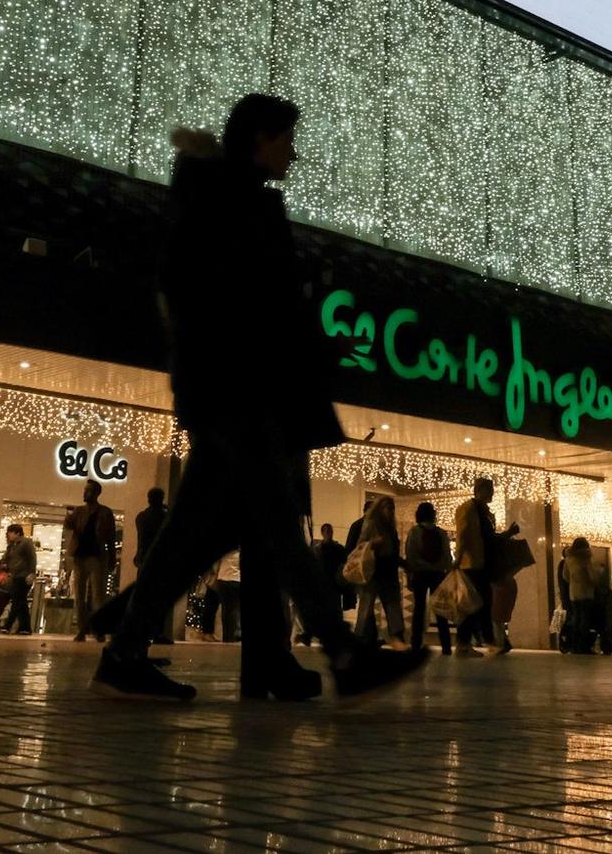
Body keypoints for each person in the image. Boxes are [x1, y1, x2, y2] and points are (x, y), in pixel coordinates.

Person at [92, 96, 427, 702]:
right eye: (287, 140)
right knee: (274, 522)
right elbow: (239, 300)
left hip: (226, 387)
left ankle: (125, 648)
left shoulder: (223, 199)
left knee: (196, 532)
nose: (294, 154)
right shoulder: (230, 204)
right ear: (261, 139)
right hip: (238, 389)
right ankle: (344, 655)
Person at [452, 478, 516, 655]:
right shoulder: (468, 509)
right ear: (478, 490)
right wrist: (458, 558)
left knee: (483, 602)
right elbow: (463, 535)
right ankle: (471, 643)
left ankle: (481, 641)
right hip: (471, 564)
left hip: (483, 563)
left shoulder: (485, 512)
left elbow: (489, 538)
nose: (492, 493)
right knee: (475, 603)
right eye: (488, 490)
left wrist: (507, 534)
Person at [63, 479, 116, 642]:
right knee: (79, 595)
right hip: (80, 555)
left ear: (96, 493)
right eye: (85, 490)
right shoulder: (79, 511)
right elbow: (69, 526)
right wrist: (68, 516)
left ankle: (98, 629)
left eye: (89, 490)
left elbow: (110, 537)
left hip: (96, 556)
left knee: (98, 595)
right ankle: (82, 629)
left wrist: (112, 557)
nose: (85, 493)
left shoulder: (105, 512)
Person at [351, 497, 406, 648]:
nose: (390, 511)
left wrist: (403, 564)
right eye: (387, 507)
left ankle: (396, 637)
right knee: (367, 607)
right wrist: (373, 543)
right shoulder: (372, 524)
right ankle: (361, 638)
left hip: (387, 571)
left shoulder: (391, 527)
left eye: (392, 508)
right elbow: (359, 546)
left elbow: (393, 553)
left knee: (391, 606)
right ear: (379, 509)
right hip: (374, 571)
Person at [403, 501, 454, 653]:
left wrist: (410, 574)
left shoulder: (414, 532)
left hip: (420, 573)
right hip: (438, 574)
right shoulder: (441, 533)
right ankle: (446, 646)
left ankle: (416, 643)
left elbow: (410, 555)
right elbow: (447, 557)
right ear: (433, 515)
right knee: (440, 610)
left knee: (419, 608)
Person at [131, 489, 175, 643]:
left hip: (147, 560)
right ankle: (156, 632)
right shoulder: (165, 516)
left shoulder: (142, 516)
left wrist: (138, 555)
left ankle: (142, 630)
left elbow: (141, 540)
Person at [561, 538, 600, 653]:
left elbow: (565, 577)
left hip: (573, 594)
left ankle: (574, 645)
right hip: (586, 593)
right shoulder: (586, 559)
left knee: (576, 619)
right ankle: (584, 646)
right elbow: (592, 577)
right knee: (585, 620)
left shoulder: (568, 559)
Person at [1, 523, 37, 633]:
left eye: (10, 532)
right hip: (15, 576)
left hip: (24, 576)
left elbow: (32, 558)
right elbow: (7, 559)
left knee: (17, 600)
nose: (8, 535)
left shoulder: (26, 543)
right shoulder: (12, 545)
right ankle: (25, 628)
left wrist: (31, 573)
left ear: (17, 533)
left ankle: (8, 625)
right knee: (21, 602)